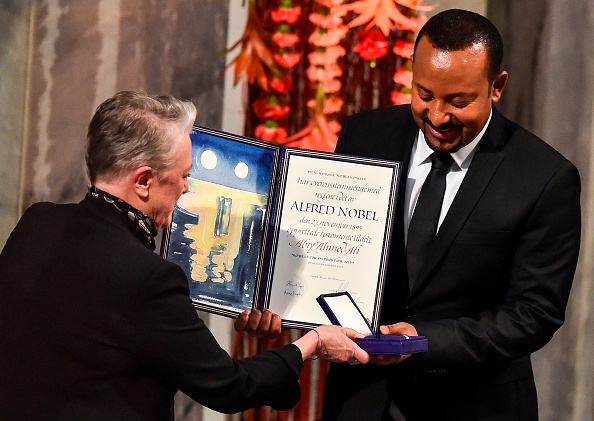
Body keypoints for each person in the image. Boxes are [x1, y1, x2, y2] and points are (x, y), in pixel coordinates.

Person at [0, 90, 369, 420]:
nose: (186, 187)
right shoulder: (146, 278)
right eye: (182, 176)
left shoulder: (38, 222)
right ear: (143, 180)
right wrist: (313, 341)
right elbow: (229, 387)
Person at [321, 9, 581, 421]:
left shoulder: (545, 177)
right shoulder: (364, 136)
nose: (438, 116)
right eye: (424, 95)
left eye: (458, 102)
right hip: (361, 399)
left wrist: (424, 340)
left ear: (497, 87)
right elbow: (330, 249)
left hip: (476, 404)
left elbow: (535, 312)